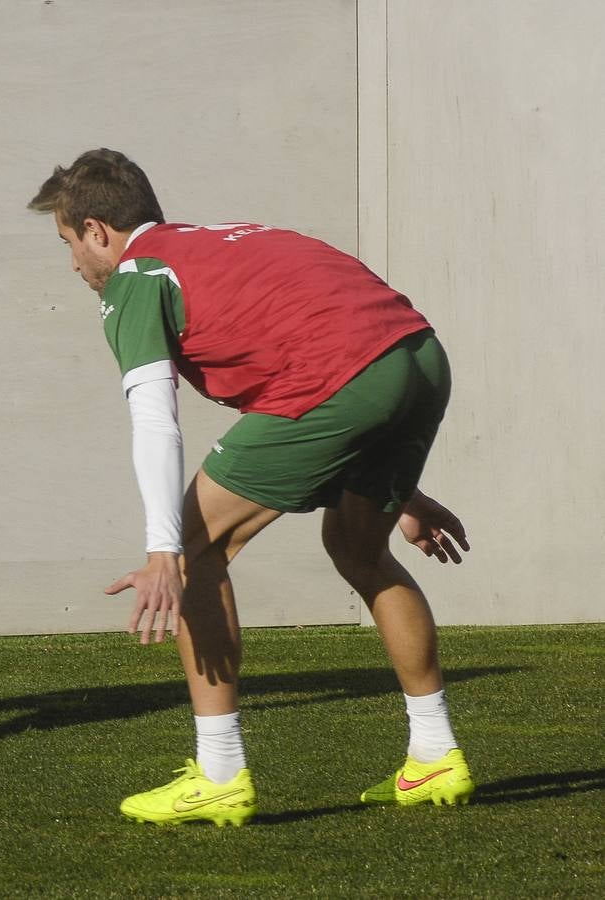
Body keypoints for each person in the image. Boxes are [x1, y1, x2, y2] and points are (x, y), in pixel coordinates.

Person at [29, 149, 475, 825]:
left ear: (98, 230)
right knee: (360, 549)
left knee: (196, 547)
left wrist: (162, 551)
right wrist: (403, 493)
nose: (72, 265)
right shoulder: (228, 240)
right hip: (419, 357)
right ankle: (436, 754)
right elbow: (321, 338)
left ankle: (220, 773)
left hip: (347, 374)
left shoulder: (136, 276)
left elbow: (154, 415)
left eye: (68, 243)